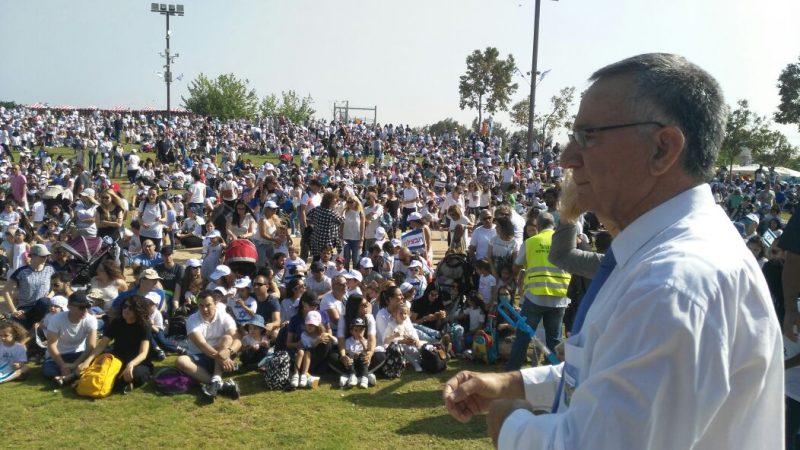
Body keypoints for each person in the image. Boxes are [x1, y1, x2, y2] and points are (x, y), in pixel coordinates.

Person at [443, 53, 782, 449]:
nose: (567, 157)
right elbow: (605, 368)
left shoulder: (672, 284)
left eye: (588, 136)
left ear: (662, 148)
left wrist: (511, 423)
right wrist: (512, 382)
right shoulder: (657, 257)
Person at [77, 295, 152, 393]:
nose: (126, 310)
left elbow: (143, 353)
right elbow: (101, 345)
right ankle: (75, 377)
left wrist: (131, 364)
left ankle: (118, 383)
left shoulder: (144, 325)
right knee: (95, 363)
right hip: (117, 359)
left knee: (136, 374)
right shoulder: (116, 322)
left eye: (131, 308)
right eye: (125, 306)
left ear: (138, 310)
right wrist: (87, 361)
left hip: (137, 362)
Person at [175, 290, 241, 401]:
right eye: (201, 306)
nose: (205, 309)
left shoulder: (225, 316)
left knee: (227, 338)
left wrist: (228, 352)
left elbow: (237, 340)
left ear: (215, 304)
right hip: (201, 356)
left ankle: (215, 381)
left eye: (208, 305)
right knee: (180, 361)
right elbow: (202, 345)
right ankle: (218, 383)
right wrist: (221, 358)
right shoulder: (192, 320)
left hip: (222, 354)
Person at [45, 292, 98, 384]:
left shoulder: (91, 320)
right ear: (69, 307)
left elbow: (91, 346)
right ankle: (74, 375)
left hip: (78, 355)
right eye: (81, 308)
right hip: (57, 356)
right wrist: (62, 366)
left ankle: (67, 377)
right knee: (49, 372)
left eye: (87, 307)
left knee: (95, 360)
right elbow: (51, 345)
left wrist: (75, 364)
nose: (85, 311)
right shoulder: (56, 319)